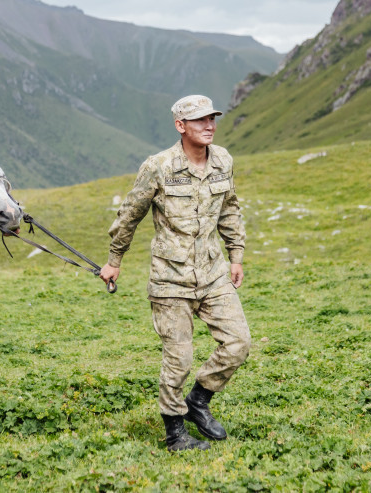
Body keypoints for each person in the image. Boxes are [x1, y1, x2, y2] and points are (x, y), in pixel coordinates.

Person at [99, 95, 251, 452]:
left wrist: (236, 254)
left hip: (213, 273)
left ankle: (199, 400)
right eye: (199, 121)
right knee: (178, 358)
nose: (209, 126)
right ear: (181, 126)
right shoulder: (158, 166)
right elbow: (130, 214)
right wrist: (114, 259)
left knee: (238, 343)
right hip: (170, 279)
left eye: (212, 118)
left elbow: (229, 208)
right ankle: (175, 434)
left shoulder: (224, 160)